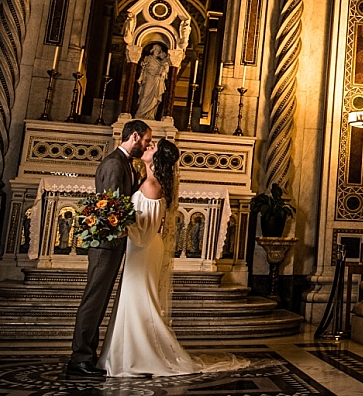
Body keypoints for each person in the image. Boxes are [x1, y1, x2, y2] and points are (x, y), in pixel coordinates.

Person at [99, 139, 247, 376]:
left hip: (143, 249)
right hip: (142, 249)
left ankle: (138, 356)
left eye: (153, 147)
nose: (148, 147)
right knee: (133, 299)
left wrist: (119, 227)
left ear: (158, 158)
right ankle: (124, 354)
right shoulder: (147, 181)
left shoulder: (152, 185)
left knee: (139, 300)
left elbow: (145, 232)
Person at [66, 119, 153, 377]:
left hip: (111, 244)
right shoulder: (115, 163)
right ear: (135, 136)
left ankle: (87, 356)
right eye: (146, 140)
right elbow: (113, 206)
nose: (147, 144)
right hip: (106, 245)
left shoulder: (123, 162)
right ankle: (80, 358)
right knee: (94, 300)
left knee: (99, 300)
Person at [134, 44, 170, 120]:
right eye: (156, 50)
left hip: (156, 80)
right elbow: (143, 66)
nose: (157, 52)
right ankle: (140, 113)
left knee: (154, 98)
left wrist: (164, 68)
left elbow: (166, 65)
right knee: (145, 95)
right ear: (153, 50)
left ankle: (150, 115)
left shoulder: (160, 62)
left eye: (159, 50)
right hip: (149, 79)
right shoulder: (148, 58)